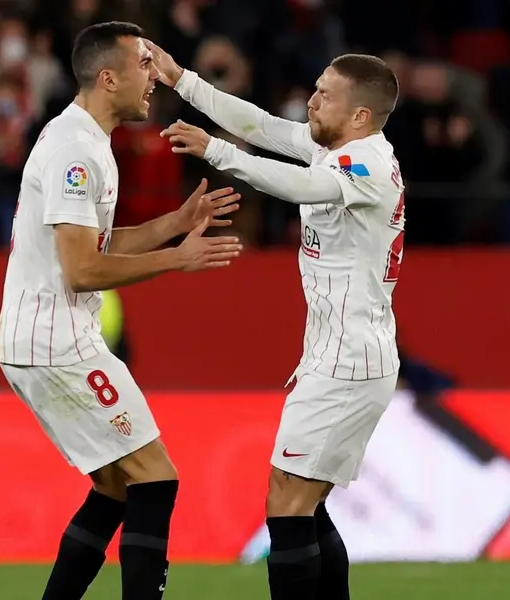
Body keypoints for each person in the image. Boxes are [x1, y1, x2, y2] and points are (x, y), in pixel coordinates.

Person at [0, 21, 243, 600]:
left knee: (114, 486)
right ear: (109, 78)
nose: (153, 78)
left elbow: (96, 244)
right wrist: (179, 259)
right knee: (156, 479)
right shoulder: (76, 153)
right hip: (57, 342)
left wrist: (171, 225)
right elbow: (83, 270)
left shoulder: (80, 139)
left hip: (43, 339)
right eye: (144, 66)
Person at [154, 42, 404, 600]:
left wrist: (217, 151)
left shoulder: (366, 163)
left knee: (286, 501)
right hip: (337, 353)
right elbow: (264, 125)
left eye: (324, 95)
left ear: (360, 115)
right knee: (304, 503)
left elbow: (299, 187)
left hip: (348, 360)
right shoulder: (335, 149)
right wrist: (183, 81)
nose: (311, 101)